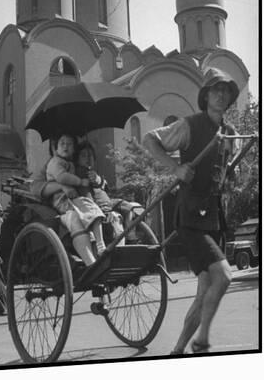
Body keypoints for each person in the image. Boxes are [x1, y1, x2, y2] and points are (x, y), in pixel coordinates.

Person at [143, 67, 239, 355]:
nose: (221, 95)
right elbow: (150, 139)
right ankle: (202, 341)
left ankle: (177, 351)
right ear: (206, 95)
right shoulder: (189, 125)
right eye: (215, 90)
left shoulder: (231, 133)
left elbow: (225, 173)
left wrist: (230, 177)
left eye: (226, 91)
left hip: (213, 219)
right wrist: (175, 167)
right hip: (190, 217)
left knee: (203, 295)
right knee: (224, 277)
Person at [46, 133, 107, 257]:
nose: (65, 147)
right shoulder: (55, 162)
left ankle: (105, 250)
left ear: (74, 149)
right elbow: (61, 177)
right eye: (62, 143)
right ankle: (94, 257)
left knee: (96, 211)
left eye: (69, 144)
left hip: (77, 200)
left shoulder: (74, 165)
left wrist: (96, 179)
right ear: (55, 148)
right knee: (85, 211)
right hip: (63, 201)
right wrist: (79, 181)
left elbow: (100, 185)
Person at [75, 141, 141, 243]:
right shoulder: (80, 173)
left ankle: (131, 236)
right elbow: (87, 197)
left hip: (110, 202)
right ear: (77, 159)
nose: (88, 159)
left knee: (130, 207)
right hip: (100, 207)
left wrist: (97, 179)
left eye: (91, 156)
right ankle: (125, 240)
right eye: (83, 156)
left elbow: (104, 187)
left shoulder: (93, 172)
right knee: (115, 218)